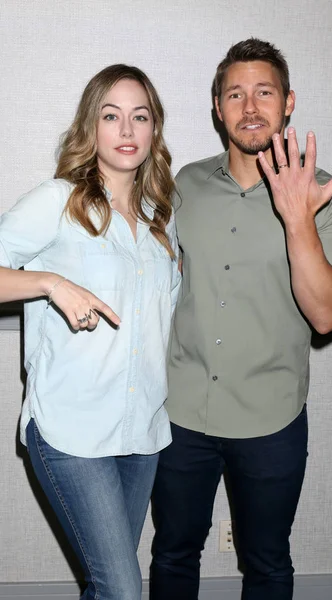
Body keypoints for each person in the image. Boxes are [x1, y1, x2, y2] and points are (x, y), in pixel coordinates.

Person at [150, 38, 332, 600]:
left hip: (272, 420)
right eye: (234, 94)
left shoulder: (327, 197)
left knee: (267, 564)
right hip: (180, 413)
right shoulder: (180, 187)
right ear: (217, 107)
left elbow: (326, 315)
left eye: (264, 92)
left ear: (288, 102)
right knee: (171, 554)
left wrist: (298, 221)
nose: (249, 107)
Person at [0, 64, 180, 599]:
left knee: (108, 587)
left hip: (140, 432)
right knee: (122, 589)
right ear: (91, 127)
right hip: (70, 432)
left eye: (139, 117)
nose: (127, 130)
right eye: (111, 115)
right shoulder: (58, 201)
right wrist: (52, 283)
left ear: (153, 130)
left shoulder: (158, 220)